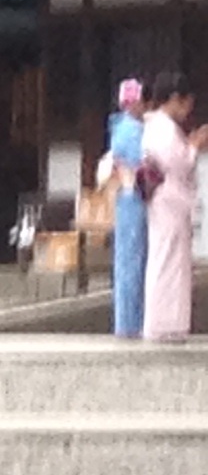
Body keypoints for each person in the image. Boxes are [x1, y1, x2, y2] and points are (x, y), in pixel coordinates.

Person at [143, 75, 197, 344]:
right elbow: (178, 163)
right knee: (167, 260)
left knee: (171, 260)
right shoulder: (162, 128)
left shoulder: (159, 126)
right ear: (175, 99)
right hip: (168, 199)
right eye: (186, 104)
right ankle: (163, 323)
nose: (187, 111)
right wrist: (194, 147)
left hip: (168, 201)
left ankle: (170, 322)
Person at [106, 79, 149, 339]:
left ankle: (126, 321)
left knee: (126, 260)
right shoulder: (133, 130)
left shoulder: (118, 126)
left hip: (125, 198)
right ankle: (131, 322)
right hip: (135, 197)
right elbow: (141, 164)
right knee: (134, 261)